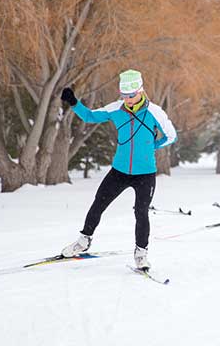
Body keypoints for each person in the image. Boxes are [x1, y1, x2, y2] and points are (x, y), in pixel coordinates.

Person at [60, 69, 177, 270]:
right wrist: (73, 102)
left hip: (145, 174)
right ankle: (84, 241)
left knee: (141, 212)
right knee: (99, 203)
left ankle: (141, 253)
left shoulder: (154, 112)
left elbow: (171, 135)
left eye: (131, 95)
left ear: (140, 91)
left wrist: (153, 146)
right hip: (119, 171)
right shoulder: (116, 109)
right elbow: (89, 116)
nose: (128, 100)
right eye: (124, 96)